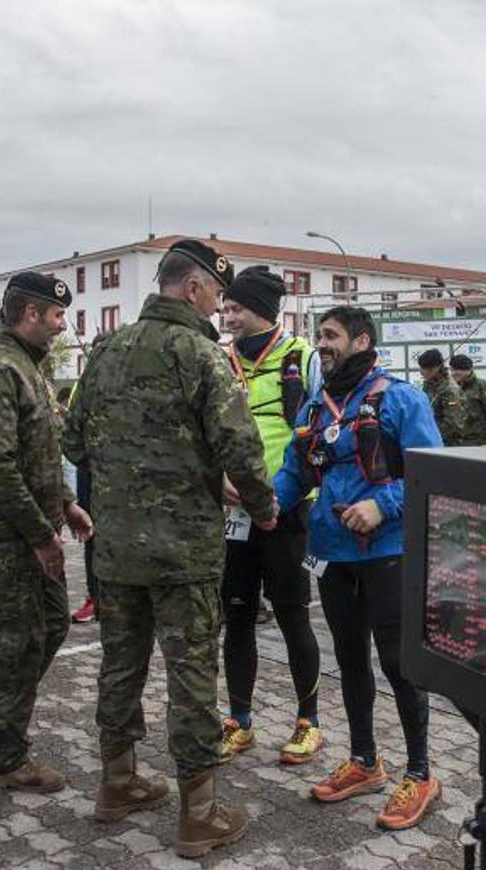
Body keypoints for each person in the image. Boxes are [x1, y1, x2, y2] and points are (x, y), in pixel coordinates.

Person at [64, 239, 276, 857]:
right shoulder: (200, 355)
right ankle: (198, 816)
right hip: (183, 552)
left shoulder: (106, 351)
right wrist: (263, 510)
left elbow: (73, 440)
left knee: (120, 664)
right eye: (215, 293)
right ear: (192, 289)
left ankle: (117, 783)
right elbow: (240, 446)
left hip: (116, 550)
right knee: (190, 677)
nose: (218, 305)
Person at [275, 305, 444, 831]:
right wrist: (263, 504)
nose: (320, 344)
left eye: (330, 336)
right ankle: (366, 762)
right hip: (333, 552)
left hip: (388, 553)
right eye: (318, 336)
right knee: (349, 661)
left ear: (362, 340)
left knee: (398, 663)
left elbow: (429, 470)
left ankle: (420, 773)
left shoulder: (400, 398)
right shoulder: (314, 409)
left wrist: (383, 504)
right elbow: (293, 472)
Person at [0, 272, 93, 792]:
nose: (62, 325)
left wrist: (67, 504)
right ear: (31, 314)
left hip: (35, 530)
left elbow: (39, 456)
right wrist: (40, 536)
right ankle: (7, 757)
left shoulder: (25, 366)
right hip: (8, 539)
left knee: (52, 626)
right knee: (19, 643)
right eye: (57, 316)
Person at [212, 265, 324, 769]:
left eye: (234, 307)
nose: (225, 314)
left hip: (286, 511)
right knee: (235, 615)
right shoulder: (220, 359)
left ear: (260, 308)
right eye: (225, 306)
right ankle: (239, 720)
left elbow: (319, 431)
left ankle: (309, 721)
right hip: (234, 511)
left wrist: (281, 494)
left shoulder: (301, 356)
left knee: (292, 616)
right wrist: (220, 482)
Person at [415, 349, 468, 447]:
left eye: (424, 368)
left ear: (435, 369)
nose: (421, 372)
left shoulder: (450, 390)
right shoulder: (429, 384)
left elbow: (453, 424)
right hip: (432, 442)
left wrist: (430, 435)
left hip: (447, 445)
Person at [449, 353, 486, 445]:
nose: (455, 373)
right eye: (453, 369)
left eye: (459, 369)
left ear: (468, 370)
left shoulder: (482, 386)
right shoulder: (448, 388)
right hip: (454, 444)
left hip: (478, 442)